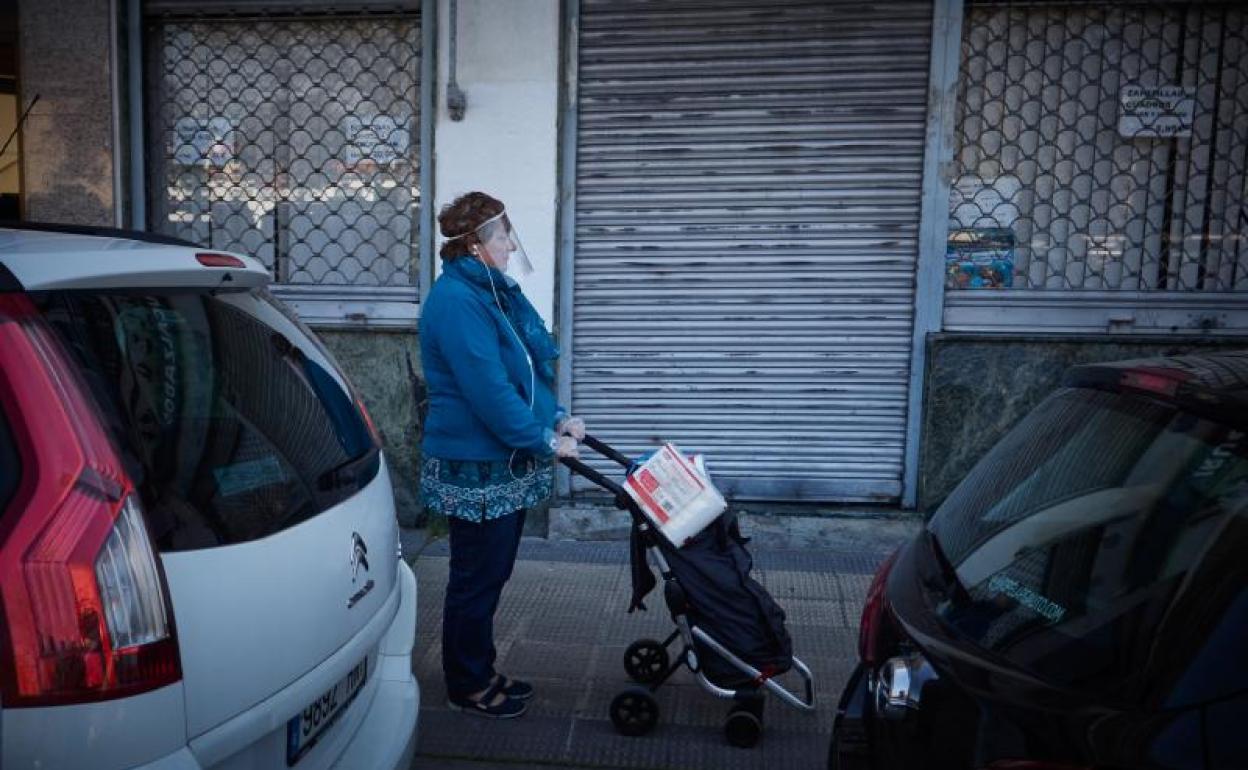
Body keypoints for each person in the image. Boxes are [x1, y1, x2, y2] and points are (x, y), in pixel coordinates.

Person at [419, 191, 585, 719]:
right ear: (474, 245)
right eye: (501, 235)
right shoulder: (457, 302)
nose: (511, 244)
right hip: (475, 464)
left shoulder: (491, 293)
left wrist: (556, 416)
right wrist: (542, 440)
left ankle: (481, 667)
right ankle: (466, 683)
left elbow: (523, 374)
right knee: (476, 577)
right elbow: (489, 390)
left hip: (500, 461)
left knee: (492, 573)